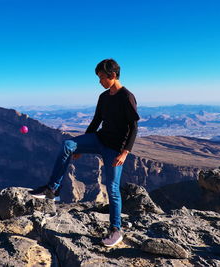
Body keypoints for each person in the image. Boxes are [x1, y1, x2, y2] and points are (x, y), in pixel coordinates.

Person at [30, 58, 140, 247]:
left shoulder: (126, 97)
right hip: (99, 139)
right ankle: (53, 189)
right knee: (68, 145)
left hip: (115, 149)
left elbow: (134, 127)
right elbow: (96, 120)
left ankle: (116, 230)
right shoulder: (104, 97)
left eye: (102, 77)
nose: (100, 81)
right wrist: (81, 145)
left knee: (112, 189)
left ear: (112, 76)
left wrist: (125, 153)